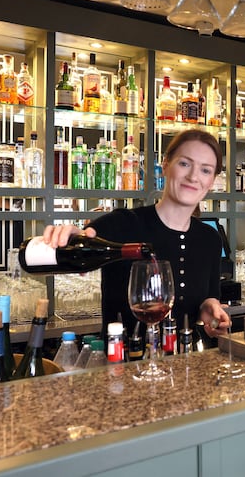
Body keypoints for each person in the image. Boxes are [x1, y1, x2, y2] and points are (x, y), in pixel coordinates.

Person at [41, 129, 230, 339]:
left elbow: (210, 296)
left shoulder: (210, 239)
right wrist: (70, 239)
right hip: (123, 363)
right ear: (166, 165)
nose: (193, 176)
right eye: (184, 163)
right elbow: (82, 242)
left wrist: (210, 307)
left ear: (212, 181)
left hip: (187, 363)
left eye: (205, 170)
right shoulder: (121, 223)